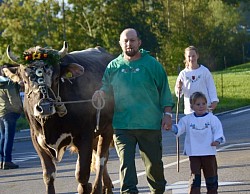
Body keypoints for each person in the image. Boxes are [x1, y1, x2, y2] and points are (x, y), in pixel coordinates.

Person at [93, 28, 174, 194]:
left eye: (132, 40)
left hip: (149, 124)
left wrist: (167, 114)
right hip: (122, 126)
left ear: (139, 42)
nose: (129, 44)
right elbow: (106, 87)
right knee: (126, 167)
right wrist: (101, 92)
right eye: (125, 41)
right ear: (120, 44)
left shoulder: (152, 64)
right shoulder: (113, 66)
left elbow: (164, 90)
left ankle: (158, 191)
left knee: (154, 167)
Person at [172, 92, 225, 194]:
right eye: (198, 104)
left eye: (203, 103)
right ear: (192, 106)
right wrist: (173, 128)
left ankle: (212, 191)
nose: (201, 106)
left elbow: (218, 130)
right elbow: (179, 128)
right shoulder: (187, 119)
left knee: (211, 176)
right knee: (195, 177)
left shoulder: (212, 118)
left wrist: (217, 140)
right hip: (194, 153)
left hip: (208, 152)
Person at [175, 46, 219, 115]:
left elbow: (211, 87)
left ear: (197, 56)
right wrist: (179, 88)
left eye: (193, 56)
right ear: (186, 58)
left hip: (205, 109)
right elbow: (179, 94)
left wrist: (214, 101)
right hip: (190, 111)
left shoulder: (204, 71)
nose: (191, 58)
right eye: (189, 56)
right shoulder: (183, 74)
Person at [0, 65, 23, 170]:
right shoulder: (9, 84)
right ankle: (7, 161)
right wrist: (20, 110)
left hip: (1, 113)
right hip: (10, 113)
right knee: (8, 138)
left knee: (3, 137)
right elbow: (14, 101)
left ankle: (2, 161)